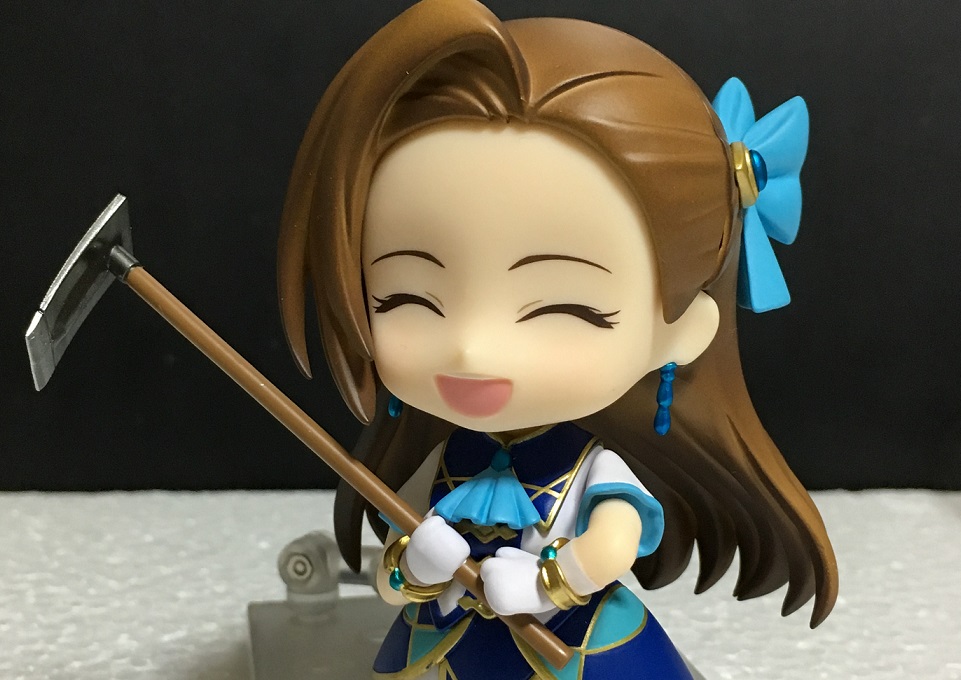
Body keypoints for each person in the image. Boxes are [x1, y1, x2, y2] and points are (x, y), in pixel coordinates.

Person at [276, 1, 838, 677]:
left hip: (576, 649)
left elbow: (612, 545)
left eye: (564, 308)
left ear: (682, 330)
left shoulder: (592, 470)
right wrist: (410, 568)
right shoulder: (442, 463)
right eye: (407, 299)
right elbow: (393, 578)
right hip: (446, 645)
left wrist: (550, 582)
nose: (471, 348)